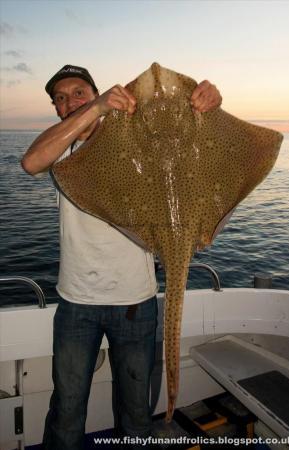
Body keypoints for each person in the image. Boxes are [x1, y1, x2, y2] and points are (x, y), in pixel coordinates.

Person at [21, 64, 222, 450]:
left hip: (135, 301)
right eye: (60, 99)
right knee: (66, 409)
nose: (69, 101)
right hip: (76, 303)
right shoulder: (64, 153)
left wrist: (208, 106)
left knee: (135, 413)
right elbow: (31, 162)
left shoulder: (133, 137)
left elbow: (182, 144)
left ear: (97, 92)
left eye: (79, 92)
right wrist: (93, 108)